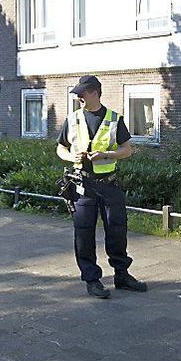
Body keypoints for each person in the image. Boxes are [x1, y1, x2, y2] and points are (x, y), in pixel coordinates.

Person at [56, 75, 147, 298]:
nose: (78, 97)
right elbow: (60, 148)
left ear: (95, 92)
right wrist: (70, 156)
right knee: (83, 234)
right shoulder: (73, 119)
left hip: (109, 185)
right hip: (82, 185)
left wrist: (106, 154)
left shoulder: (115, 119)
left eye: (82, 93)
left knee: (117, 231)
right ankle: (92, 280)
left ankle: (122, 275)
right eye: (77, 93)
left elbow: (127, 150)